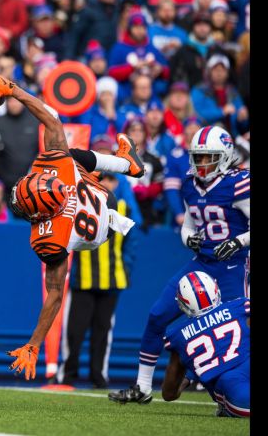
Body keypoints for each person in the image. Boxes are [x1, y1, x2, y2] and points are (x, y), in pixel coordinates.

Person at [0, 70, 145, 380]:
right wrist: (13, 90)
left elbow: (54, 296)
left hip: (97, 224)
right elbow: (52, 120)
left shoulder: (49, 238)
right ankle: (126, 165)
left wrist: (34, 345)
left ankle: (127, 165)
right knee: (69, 155)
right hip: (98, 206)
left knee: (68, 155)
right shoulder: (59, 170)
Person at [109, 125, 250, 405]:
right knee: (157, 315)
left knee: (236, 332)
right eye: (197, 157)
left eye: (207, 157)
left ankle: (228, 394)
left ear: (224, 156)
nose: (200, 163)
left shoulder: (239, 182)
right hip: (202, 264)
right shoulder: (189, 182)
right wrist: (190, 241)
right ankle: (143, 386)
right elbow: (188, 224)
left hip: (233, 267)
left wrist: (238, 242)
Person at [59, 169, 140, 389]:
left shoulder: (124, 208)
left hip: (111, 280)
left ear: (118, 183)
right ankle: (67, 375)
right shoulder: (80, 206)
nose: (108, 183)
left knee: (102, 331)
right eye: (104, 178)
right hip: (83, 279)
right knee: (75, 330)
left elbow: (131, 243)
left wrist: (124, 269)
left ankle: (98, 375)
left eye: (112, 179)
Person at [161, 272, 250, 418]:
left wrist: (192, 374)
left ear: (183, 303)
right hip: (240, 380)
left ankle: (224, 408)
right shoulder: (239, 307)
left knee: (227, 385)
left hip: (236, 395)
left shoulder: (178, 336)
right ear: (216, 290)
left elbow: (169, 394)